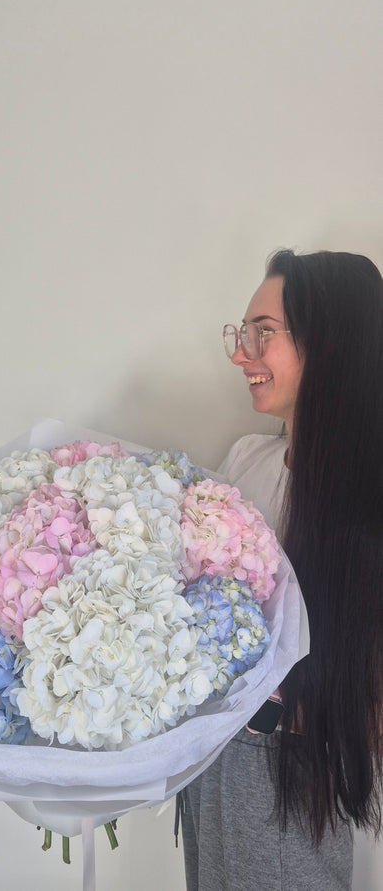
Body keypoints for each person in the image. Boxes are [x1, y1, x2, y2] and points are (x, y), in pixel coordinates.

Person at [181, 249, 383, 891]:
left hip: (293, 775)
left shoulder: (370, 495)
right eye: (242, 334)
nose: (242, 355)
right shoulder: (243, 462)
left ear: (329, 340)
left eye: (263, 333)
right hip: (209, 757)